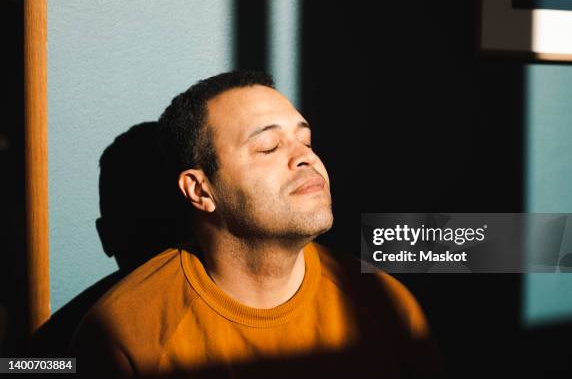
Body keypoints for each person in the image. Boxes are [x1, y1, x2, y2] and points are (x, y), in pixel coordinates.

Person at [69, 71, 440, 378]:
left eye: (306, 141)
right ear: (200, 190)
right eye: (268, 147)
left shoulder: (386, 305)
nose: (306, 158)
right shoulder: (126, 333)